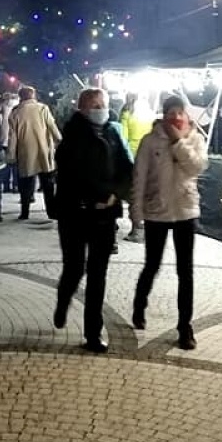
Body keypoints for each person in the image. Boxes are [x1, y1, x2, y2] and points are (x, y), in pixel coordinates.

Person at [53, 87, 133, 353]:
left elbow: (127, 169)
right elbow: (72, 174)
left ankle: (93, 333)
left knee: (98, 274)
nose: (100, 109)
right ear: (82, 108)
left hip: (105, 214)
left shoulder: (113, 132)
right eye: (94, 105)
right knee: (75, 268)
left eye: (103, 104)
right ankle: (63, 300)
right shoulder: (72, 135)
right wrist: (97, 194)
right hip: (75, 213)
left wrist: (115, 194)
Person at [130, 94, 209, 350]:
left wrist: (178, 143)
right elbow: (139, 177)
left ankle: (185, 327)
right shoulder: (150, 141)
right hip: (157, 212)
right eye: (171, 113)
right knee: (152, 265)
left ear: (186, 115)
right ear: (163, 116)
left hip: (186, 211)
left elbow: (197, 167)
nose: (176, 117)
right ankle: (139, 304)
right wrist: (136, 212)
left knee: (185, 272)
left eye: (180, 113)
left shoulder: (195, 139)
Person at [8, 85, 61, 220]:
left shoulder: (15, 113)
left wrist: (11, 155)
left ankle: (24, 212)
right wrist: (59, 140)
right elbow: (52, 126)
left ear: (20, 97)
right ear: (33, 95)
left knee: (25, 185)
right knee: (48, 185)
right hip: (44, 151)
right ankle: (52, 212)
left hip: (26, 153)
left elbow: (13, 136)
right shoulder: (43, 108)